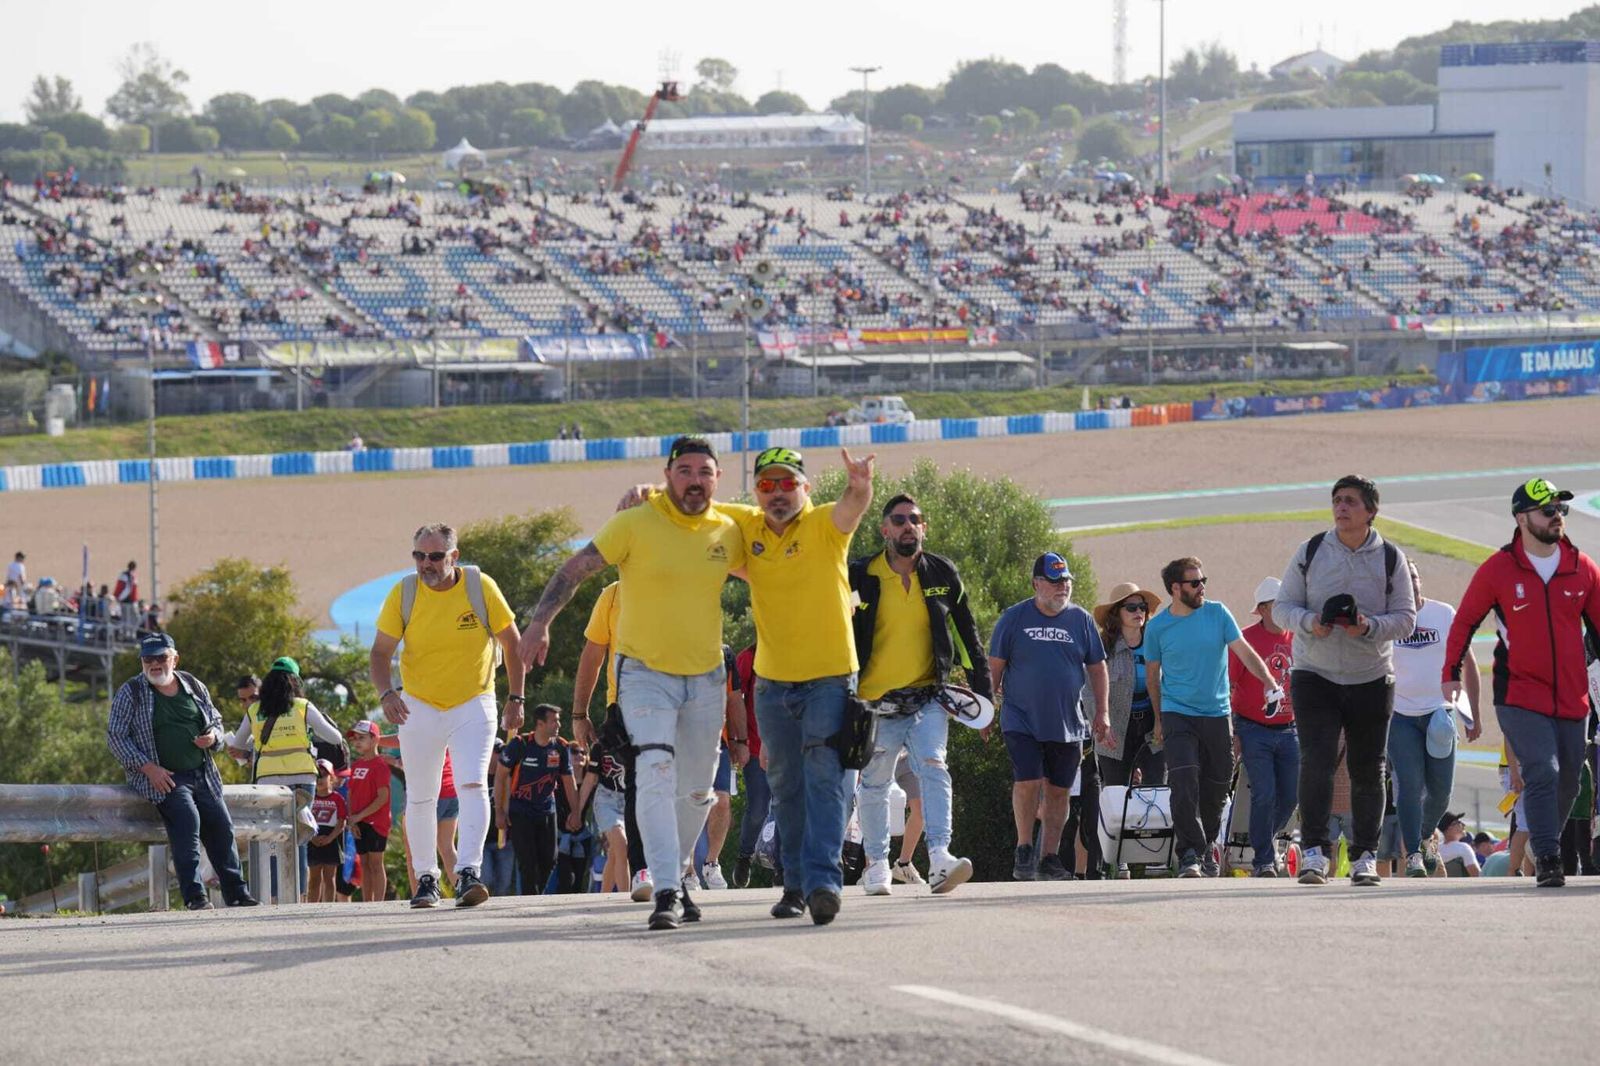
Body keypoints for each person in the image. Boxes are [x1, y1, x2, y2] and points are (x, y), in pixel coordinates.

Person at [520, 437, 746, 931]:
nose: (693, 479)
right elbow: (574, 569)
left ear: (717, 479)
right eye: (683, 469)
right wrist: (539, 623)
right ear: (668, 474)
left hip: (707, 675)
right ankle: (665, 887)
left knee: (697, 790)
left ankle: (681, 872)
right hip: (643, 675)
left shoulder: (730, 528)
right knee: (656, 770)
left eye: (704, 471)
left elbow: (774, 580)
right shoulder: (634, 522)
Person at [718, 446, 874, 925]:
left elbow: (853, 505)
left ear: (806, 488)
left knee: (824, 778)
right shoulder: (749, 528)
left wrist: (858, 482)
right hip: (771, 682)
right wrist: (651, 497)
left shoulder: (825, 525)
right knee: (783, 786)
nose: (778, 493)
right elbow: (695, 507)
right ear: (757, 493)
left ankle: (824, 882)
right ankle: (792, 885)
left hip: (829, 677)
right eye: (767, 485)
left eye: (788, 483)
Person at [1442, 477, 1600, 888]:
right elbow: (1464, 622)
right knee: (1543, 771)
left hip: (1572, 697)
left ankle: (1544, 843)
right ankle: (1548, 856)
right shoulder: (1498, 569)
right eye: (1548, 510)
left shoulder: (1582, 568)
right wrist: (1449, 674)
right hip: (1519, 695)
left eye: (1560, 509)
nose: (1557, 517)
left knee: (1570, 778)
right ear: (1522, 517)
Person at [370, 522, 524, 909]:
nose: (426, 564)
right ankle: (426, 879)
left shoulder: (479, 586)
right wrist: (387, 693)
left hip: (474, 702)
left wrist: (516, 698)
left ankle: (468, 872)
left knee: (472, 785)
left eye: (436, 556)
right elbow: (380, 653)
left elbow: (512, 642)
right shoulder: (404, 593)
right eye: (419, 556)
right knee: (421, 797)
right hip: (418, 705)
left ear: (453, 557)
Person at [1275, 475, 1417, 887]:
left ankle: (1365, 857)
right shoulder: (1311, 551)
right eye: (1337, 500)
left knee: (1368, 770)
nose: (1341, 507)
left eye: (1351, 501)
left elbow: (1407, 619)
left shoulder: (1391, 558)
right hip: (1313, 674)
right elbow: (1283, 607)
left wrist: (1368, 627)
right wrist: (1310, 623)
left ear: (1371, 511)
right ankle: (1316, 853)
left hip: (1371, 677)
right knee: (1316, 762)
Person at [850, 492, 988, 896]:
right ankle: (876, 864)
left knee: (934, 765)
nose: (908, 525)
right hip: (874, 703)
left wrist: (983, 704)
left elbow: (969, 638)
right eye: (899, 519)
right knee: (874, 783)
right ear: (885, 529)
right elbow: (837, 629)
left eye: (915, 519)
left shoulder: (942, 574)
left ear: (923, 527)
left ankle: (941, 857)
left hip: (928, 698)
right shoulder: (860, 575)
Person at [1146, 557, 1280, 878]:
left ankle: (1205, 845)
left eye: (1204, 580)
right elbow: (1153, 677)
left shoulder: (1218, 614)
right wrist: (1158, 718)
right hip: (1177, 713)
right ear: (1176, 588)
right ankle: (1189, 853)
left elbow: (1245, 652)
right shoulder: (1158, 627)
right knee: (1183, 780)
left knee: (1217, 787)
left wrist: (1270, 683)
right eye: (1195, 582)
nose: (1202, 586)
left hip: (1217, 715)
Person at [106, 633, 257, 911]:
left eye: (160, 657)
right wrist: (148, 768)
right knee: (187, 824)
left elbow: (216, 722)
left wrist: (213, 737)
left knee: (221, 828)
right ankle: (194, 896)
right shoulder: (132, 691)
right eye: (147, 659)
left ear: (174, 659)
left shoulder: (193, 685)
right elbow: (115, 737)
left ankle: (237, 893)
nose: (154, 664)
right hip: (164, 778)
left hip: (203, 773)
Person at [988, 552, 1111, 882]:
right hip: (1021, 718)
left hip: (1068, 722)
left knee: (1059, 791)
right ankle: (1025, 847)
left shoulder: (1081, 620)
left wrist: (1103, 712)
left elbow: (1098, 668)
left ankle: (1049, 857)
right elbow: (995, 668)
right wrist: (986, 710)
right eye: (1055, 582)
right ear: (1036, 583)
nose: (1063, 587)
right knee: (1027, 780)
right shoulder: (1013, 618)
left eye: (1067, 581)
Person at [223, 656, 345, 902]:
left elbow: (236, 743)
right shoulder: (302, 706)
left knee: (273, 839)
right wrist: (307, 732)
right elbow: (334, 737)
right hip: (303, 778)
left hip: (269, 781)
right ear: (295, 681)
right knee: (299, 836)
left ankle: (275, 895)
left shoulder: (255, 710)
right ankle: (297, 894)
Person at [1390, 561, 1481, 876]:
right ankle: (1413, 854)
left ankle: (1427, 834)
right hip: (1400, 716)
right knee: (1410, 787)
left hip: (1439, 712)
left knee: (1441, 792)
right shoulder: (1389, 620)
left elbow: (1468, 663)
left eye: (1414, 576)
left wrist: (1473, 716)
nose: (1410, 583)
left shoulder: (1443, 614)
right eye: (1404, 579)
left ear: (1420, 581)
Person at [571, 580, 652, 902]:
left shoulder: (681, 582)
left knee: (676, 787)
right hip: (626, 704)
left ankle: (677, 866)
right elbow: (592, 655)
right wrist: (579, 715)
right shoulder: (614, 594)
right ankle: (643, 871)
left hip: (676, 699)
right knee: (637, 783)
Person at [1228, 577, 1298, 877]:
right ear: (1263, 609)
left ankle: (1264, 839)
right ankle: (1263, 860)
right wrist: (1233, 731)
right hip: (1253, 728)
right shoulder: (1244, 640)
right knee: (1264, 792)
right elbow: (1229, 686)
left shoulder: (1299, 639)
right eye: (1276, 605)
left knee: (1292, 795)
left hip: (1290, 727)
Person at [496, 704, 581, 895]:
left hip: (546, 810)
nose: (558, 724)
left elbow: (569, 781)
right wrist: (500, 811)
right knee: (527, 862)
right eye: (554, 721)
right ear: (540, 724)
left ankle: (536, 896)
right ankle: (529, 901)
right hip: (520, 811)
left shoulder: (560, 747)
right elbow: (501, 776)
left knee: (550, 859)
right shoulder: (520, 744)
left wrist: (576, 812)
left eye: (558, 720)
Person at [1093, 582, 1166, 794]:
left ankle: (1155, 830)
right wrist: (1100, 724)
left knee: (1156, 791)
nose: (1139, 612)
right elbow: (1089, 689)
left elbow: (1169, 683)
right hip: (1114, 730)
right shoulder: (1102, 646)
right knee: (1116, 794)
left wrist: (1163, 721)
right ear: (1116, 613)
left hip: (1152, 727)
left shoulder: (1157, 642)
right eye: (1131, 608)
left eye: (1142, 607)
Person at [345, 720, 393, 902]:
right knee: (363, 862)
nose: (357, 742)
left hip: (376, 823)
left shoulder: (380, 765)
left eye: (362, 738)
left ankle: (379, 903)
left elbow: (382, 797)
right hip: (358, 821)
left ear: (375, 740)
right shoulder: (356, 765)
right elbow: (350, 793)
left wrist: (360, 816)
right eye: (355, 738)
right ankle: (367, 902)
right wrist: (353, 819)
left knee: (375, 863)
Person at [307, 760, 348, 903]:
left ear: (332, 778)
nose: (319, 779)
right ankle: (310, 907)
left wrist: (330, 838)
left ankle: (328, 906)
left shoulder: (338, 799)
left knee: (329, 878)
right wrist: (311, 838)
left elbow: (342, 822)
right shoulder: (308, 799)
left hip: (332, 841)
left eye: (323, 775)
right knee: (314, 878)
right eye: (316, 775)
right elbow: (303, 821)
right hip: (313, 840)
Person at [1436, 813, 1481, 877]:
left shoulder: (1437, 849)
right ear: (1449, 827)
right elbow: (1477, 875)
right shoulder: (1463, 848)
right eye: (1459, 822)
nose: (1463, 825)